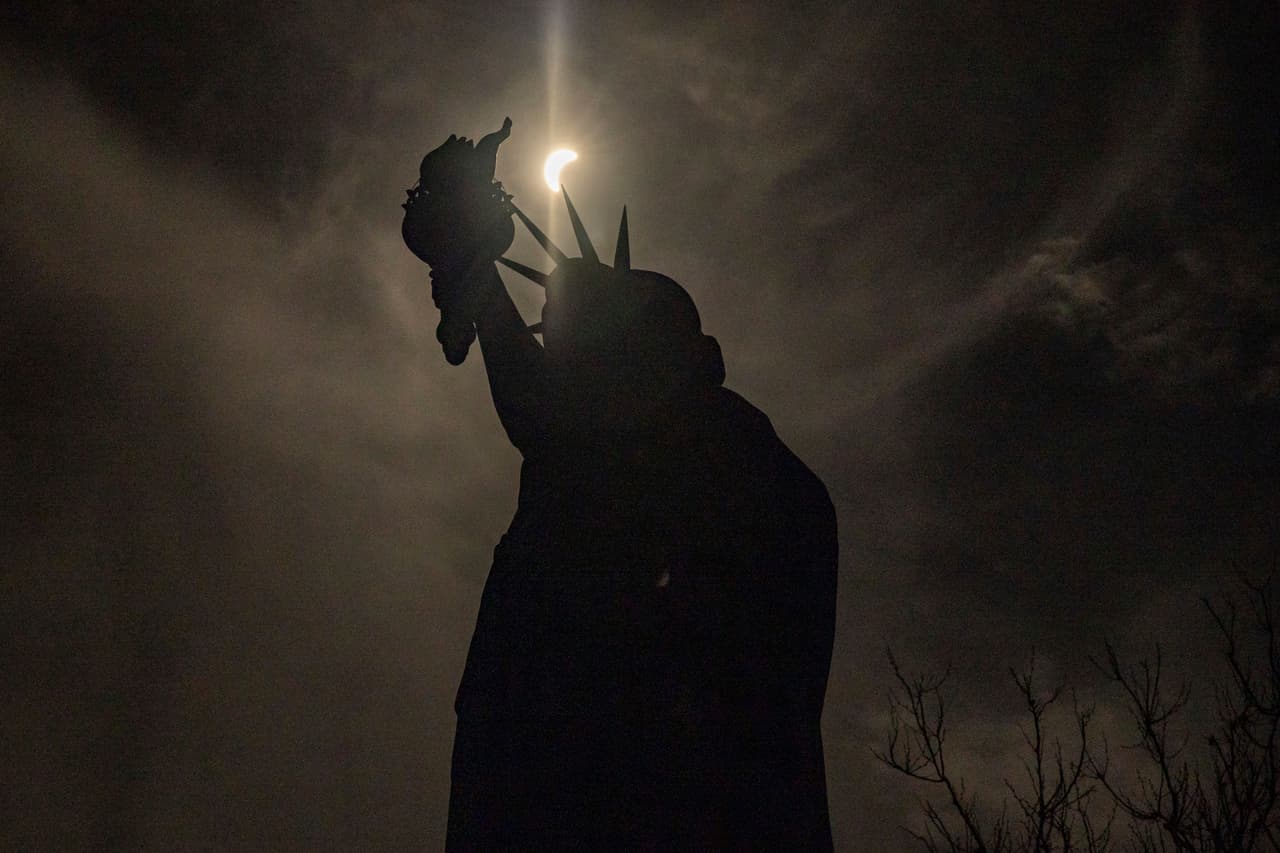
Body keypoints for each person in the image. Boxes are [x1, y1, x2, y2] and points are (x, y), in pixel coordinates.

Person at [404, 122, 838, 850]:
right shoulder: (714, 452)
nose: (559, 360)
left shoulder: (702, 449)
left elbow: (555, 422)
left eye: (572, 343)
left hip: (641, 782)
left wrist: (480, 277)